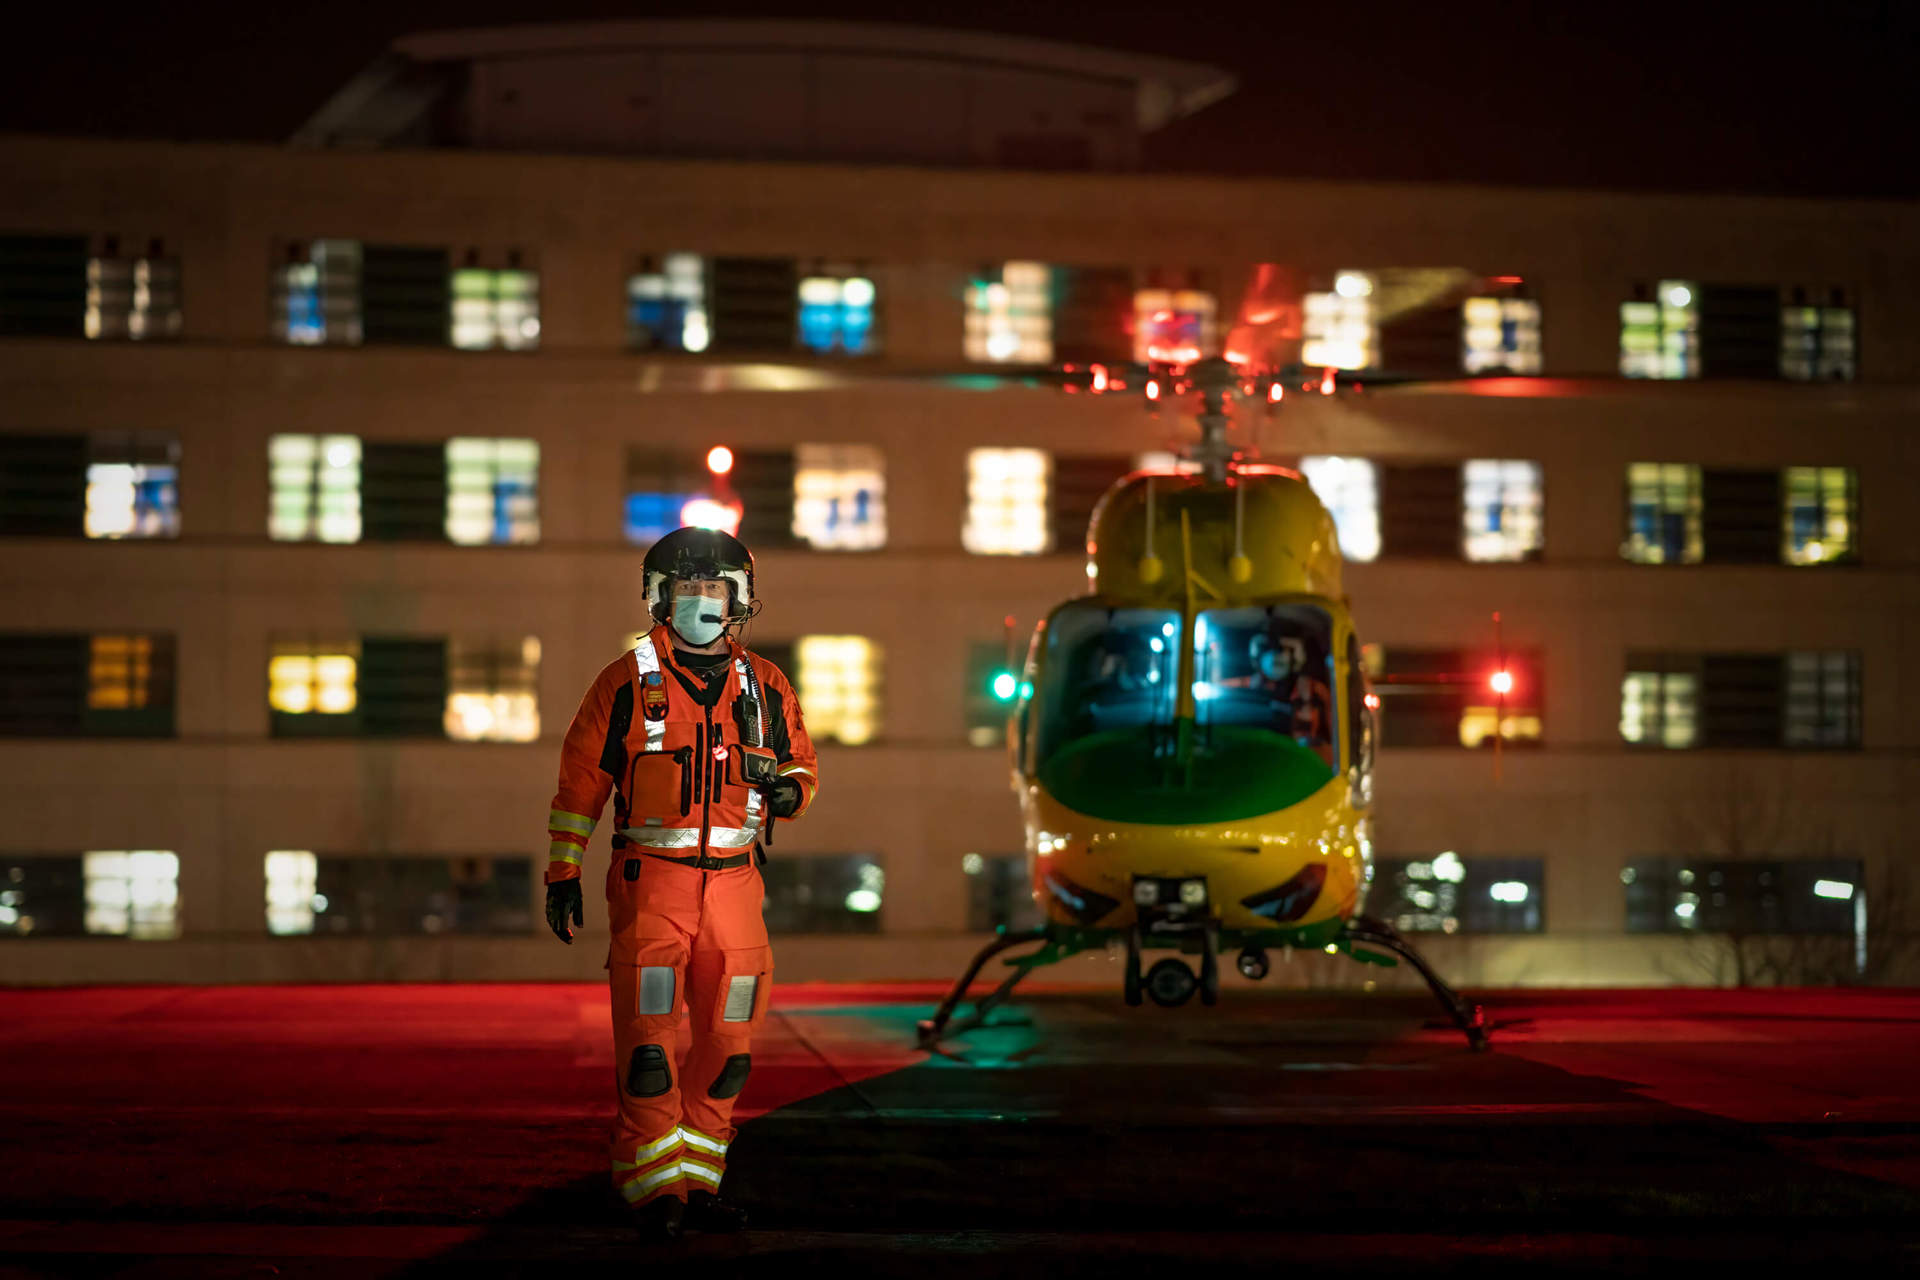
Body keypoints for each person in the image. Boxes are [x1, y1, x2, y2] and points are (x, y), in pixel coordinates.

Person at [542, 527, 818, 1242]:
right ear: (659, 597)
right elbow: (581, 784)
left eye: (714, 589)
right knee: (649, 1049)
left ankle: (699, 1181)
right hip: (651, 889)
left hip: (736, 890)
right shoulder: (622, 683)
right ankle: (650, 1187)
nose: (700, 601)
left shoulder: (767, 685)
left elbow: (800, 765)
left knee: (731, 1047)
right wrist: (563, 872)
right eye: (687, 589)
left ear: (741, 600)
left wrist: (790, 794)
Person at [1248, 631, 1334, 764]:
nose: (1303, 714)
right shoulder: (1258, 690)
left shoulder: (1311, 687)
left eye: (1308, 704)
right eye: (1299, 704)